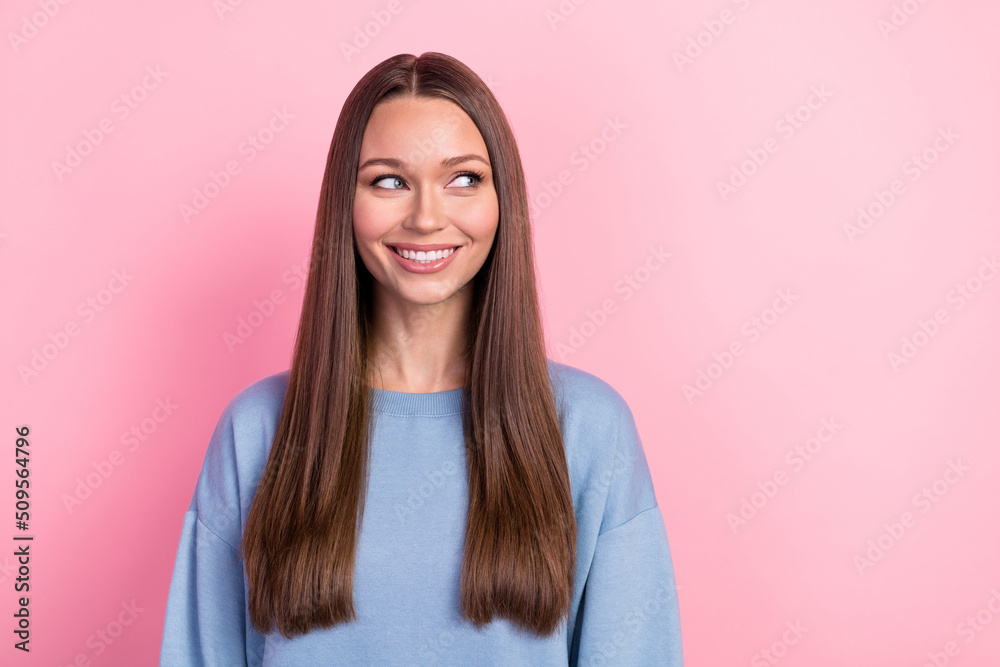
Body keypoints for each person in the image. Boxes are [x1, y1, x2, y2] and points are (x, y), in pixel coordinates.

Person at [159, 51, 683, 666]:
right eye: (389, 180)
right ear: (344, 203)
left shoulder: (589, 429)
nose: (427, 217)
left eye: (463, 178)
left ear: (501, 199)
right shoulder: (257, 432)